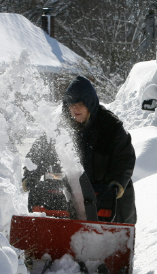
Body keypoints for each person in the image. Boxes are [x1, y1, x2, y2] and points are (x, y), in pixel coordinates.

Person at [24, 76, 137, 224]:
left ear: (90, 104)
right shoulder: (60, 127)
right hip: (72, 201)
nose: (75, 108)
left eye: (80, 104)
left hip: (107, 203)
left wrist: (118, 182)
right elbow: (39, 153)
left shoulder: (110, 127)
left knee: (108, 244)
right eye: (71, 104)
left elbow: (124, 158)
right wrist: (31, 174)